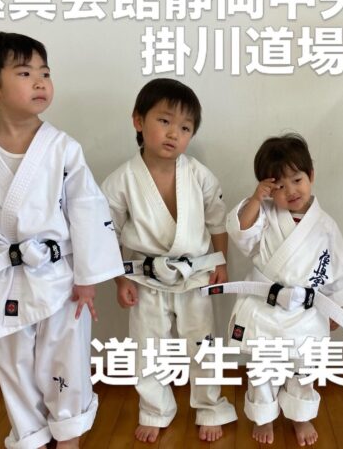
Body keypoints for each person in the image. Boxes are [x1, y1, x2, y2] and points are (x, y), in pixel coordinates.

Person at [0, 32, 124, 448]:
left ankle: (68, 436)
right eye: (24, 73)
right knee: (13, 363)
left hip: (60, 277)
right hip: (4, 281)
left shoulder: (62, 148)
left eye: (45, 73)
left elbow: (87, 211)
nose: (40, 81)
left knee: (66, 359)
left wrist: (87, 278)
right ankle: (29, 436)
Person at [101, 78, 237, 443]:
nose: (174, 133)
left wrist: (221, 262)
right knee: (148, 347)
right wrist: (119, 279)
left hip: (195, 274)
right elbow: (107, 233)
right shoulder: (120, 181)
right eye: (164, 121)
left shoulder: (199, 175)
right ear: (138, 120)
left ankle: (209, 406)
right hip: (145, 277)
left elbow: (217, 221)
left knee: (203, 344)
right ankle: (155, 409)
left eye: (185, 127)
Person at [226, 133, 343, 446]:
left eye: (297, 180)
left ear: (311, 175)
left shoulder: (325, 225)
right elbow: (241, 232)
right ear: (267, 189)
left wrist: (337, 309)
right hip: (267, 306)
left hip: (306, 311)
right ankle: (264, 417)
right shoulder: (264, 215)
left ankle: (300, 415)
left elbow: (340, 268)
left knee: (305, 367)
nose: (290, 191)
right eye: (278, 186)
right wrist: (255, 200)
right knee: (263, 368)